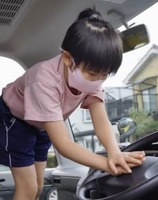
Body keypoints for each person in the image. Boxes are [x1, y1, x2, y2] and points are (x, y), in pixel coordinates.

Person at [0, 8, 145, 200]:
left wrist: (115, 152)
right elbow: (63, 144)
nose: (98, 81)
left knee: (38, 187)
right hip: (13, 122)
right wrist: (107, 164)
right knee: (27, 188)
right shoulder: (44, 80)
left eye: (105, 74)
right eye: (94, 74)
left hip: (41, 127)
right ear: (68, 58)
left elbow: (101, 119)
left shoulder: (92, 77)